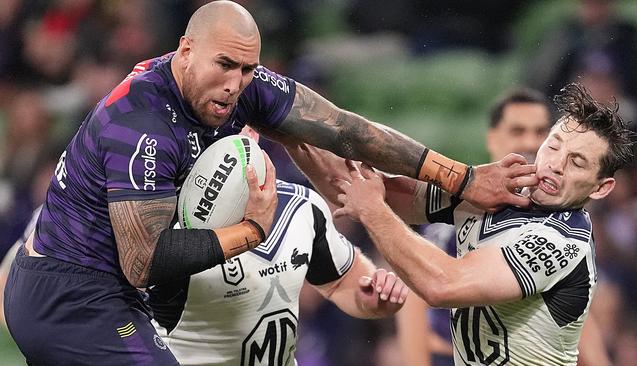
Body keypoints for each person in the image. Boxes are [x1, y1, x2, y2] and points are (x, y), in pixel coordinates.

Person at [3, 1, 534, 364]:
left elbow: (347, 131)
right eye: (225, 65)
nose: (236, 84)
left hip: (127, 294)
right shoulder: (139, 123)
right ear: (185, 51)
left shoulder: (242, 95)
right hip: (70, 293)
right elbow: (146, 261)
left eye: (249, 69)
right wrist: (253, 231)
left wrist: (462, 176)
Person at [330, 83, 637, 365]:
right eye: (553, 146)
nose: (555, 165)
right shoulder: (489, 192)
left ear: (600, 188)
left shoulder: (564, 242)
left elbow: (440, 285)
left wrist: (373, 210)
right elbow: (357, 188)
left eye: (577, 162)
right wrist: (294, 132)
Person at [148, 126, 408, 365]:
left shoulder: (302, 207)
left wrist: (375, 300)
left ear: (252, 133)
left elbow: (341, 283)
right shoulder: (162, 230)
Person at [396, 87, 553, 366]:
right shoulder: (461, 207)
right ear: (492, 138)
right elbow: (415, 292)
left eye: (541, 132)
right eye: (518, 131)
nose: (531, 142)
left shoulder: (560, 215)